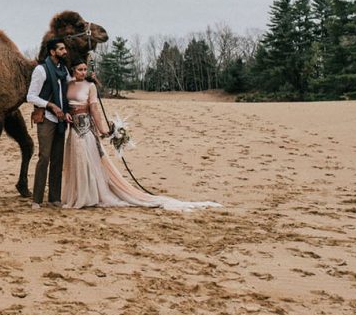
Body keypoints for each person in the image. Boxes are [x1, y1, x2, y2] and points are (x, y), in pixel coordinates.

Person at [61, 59, 222, 212]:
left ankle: (90, 195)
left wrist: (102, 129)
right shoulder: (67, 85)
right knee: (78, 161)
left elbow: (94, 109)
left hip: (87, 129)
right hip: (74, 129)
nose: (83, 72)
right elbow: (65, 104)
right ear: (73, 70)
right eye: (79, 69)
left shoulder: (90, 86)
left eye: (84, 69)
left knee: (89, 161)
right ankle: (79, 194)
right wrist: (66, 113)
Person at [26, 38, 71, 209]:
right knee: (44, 157)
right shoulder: (41, 70)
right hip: (46, 119)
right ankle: (37, 199)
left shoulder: (64, 70)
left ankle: (54, 198)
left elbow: (68, 90)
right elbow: (30, 96)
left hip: (60, 120)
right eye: (61, 49)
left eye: (64, 48)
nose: (64, 51)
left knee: (58, 159)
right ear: (52, 52)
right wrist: (50, 105)